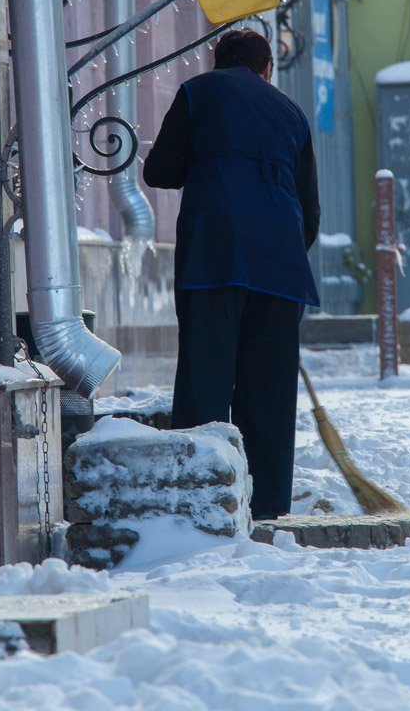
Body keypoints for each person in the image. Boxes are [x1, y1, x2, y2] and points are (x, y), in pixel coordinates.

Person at [142, 29, 320, 521]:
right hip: (281, 266)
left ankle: (198, 508)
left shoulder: (199, 91)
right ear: (267, 70)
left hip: (214, 255)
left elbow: (158, 170)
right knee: (269, 392)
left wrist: (210, 161)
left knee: (206, 379)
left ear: (218, 62)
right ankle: (266, 511)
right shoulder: (292, 113)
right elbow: (311, 215)